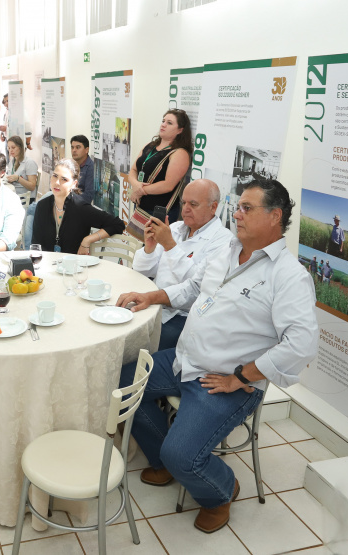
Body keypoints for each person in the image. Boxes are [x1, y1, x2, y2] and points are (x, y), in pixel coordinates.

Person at [116, 178, 318, 534]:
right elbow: (195, 288)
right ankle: (167, 457)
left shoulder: (289, 276)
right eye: (237, 206)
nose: (236, 214)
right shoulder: (229, 250)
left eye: (246, 208)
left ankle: (221, 490)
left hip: (222, 381)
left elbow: (301, 345)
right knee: (121, 383)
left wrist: (241, 377)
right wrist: (153, 297)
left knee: (182, 456)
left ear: (275, 217)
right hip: (184, 360)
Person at [132, 179, 233, 351]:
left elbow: (196, 286)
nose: (185, 209)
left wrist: (170, 246)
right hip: (155, 302)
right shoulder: (177, 227)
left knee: (139, 345)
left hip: (184, 314)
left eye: (193, 204)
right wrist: (149, 248)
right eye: (183, 202)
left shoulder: (224, 240)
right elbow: (142, 270)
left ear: (213, 207)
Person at [32, 158, 125, 255]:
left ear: (74, 184)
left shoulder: (81, 208)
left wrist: (87, 240)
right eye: (55, 176)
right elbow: (35, 244)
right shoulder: (42, 205)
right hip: (48, 265)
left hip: (74, 267)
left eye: (64, 179)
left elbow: (118, 224)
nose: (57, 182)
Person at [127, 109, 193, 223]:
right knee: (139, 240)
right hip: (141, 206)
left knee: (153, 241)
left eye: (169, 123)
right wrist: (135, 185)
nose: (163, 125)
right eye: (163, 121)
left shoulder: (179, 153)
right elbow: (133, 169)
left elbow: (168, 185)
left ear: (180, 130)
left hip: (159, 211)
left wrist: (139, 190)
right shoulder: (150, 146)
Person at [6, 135, 39, 200]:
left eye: (13, 147)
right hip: (14, 195)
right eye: (9, 148)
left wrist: (18, 179)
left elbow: (32, 187)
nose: (10, 150)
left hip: (25, 198)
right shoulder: (12, 161)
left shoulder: (29, 163)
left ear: (20, 148)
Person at [70, 135, 95, 204]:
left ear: (86, 150)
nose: (74, 150)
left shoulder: (91, 167)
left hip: (79, 207)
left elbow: (88, 196)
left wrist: (68, 198)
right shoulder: (70, 164)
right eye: (72, 147)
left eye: (78, 147)